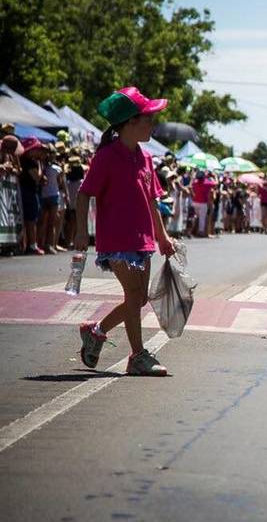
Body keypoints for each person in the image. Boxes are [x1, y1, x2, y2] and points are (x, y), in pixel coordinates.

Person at [74, 86, 175, 376]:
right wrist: (81, 232)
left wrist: (162, 236)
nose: (152, 125)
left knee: (138, 299)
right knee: (133, 294)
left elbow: (153, 201)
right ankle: (138, 355)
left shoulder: (144, 157)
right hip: (116, 240)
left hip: (142, 240)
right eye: (148, 119)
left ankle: (96, 331)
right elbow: (84, 195)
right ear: (130, 122)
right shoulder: (106, 157)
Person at [18, 137, 44, 255]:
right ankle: (32, 245)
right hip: (28, 191)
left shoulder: (24, 160)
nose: (39, 152)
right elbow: (37, 178)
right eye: (37, 149)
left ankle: (28, 244)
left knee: (30, 218)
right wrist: (39, 165)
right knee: (31, 219)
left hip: (28, 191)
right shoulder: (30, 162)